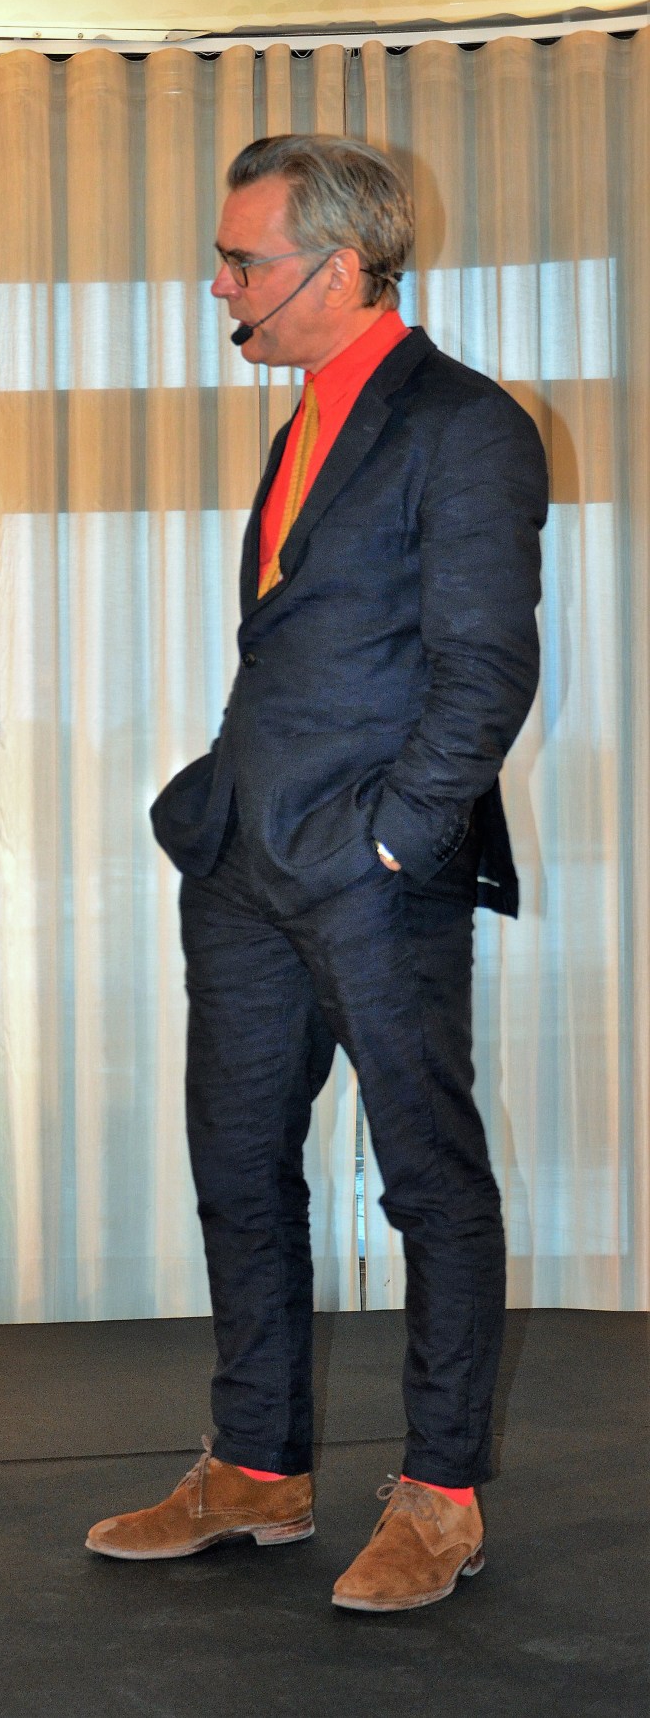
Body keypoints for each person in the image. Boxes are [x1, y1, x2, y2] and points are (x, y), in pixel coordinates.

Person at [86, 135, 547, 1611]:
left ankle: (442, 1498)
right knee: (237, 1169)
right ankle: (257, 1471)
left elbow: (486, 669)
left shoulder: (466, 425)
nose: (223, 285)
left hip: (371, 873)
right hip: (241, 862)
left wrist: (395, 837)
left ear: (338, 269)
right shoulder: (307, 417)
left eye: (244, 262)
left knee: (428, 1180)